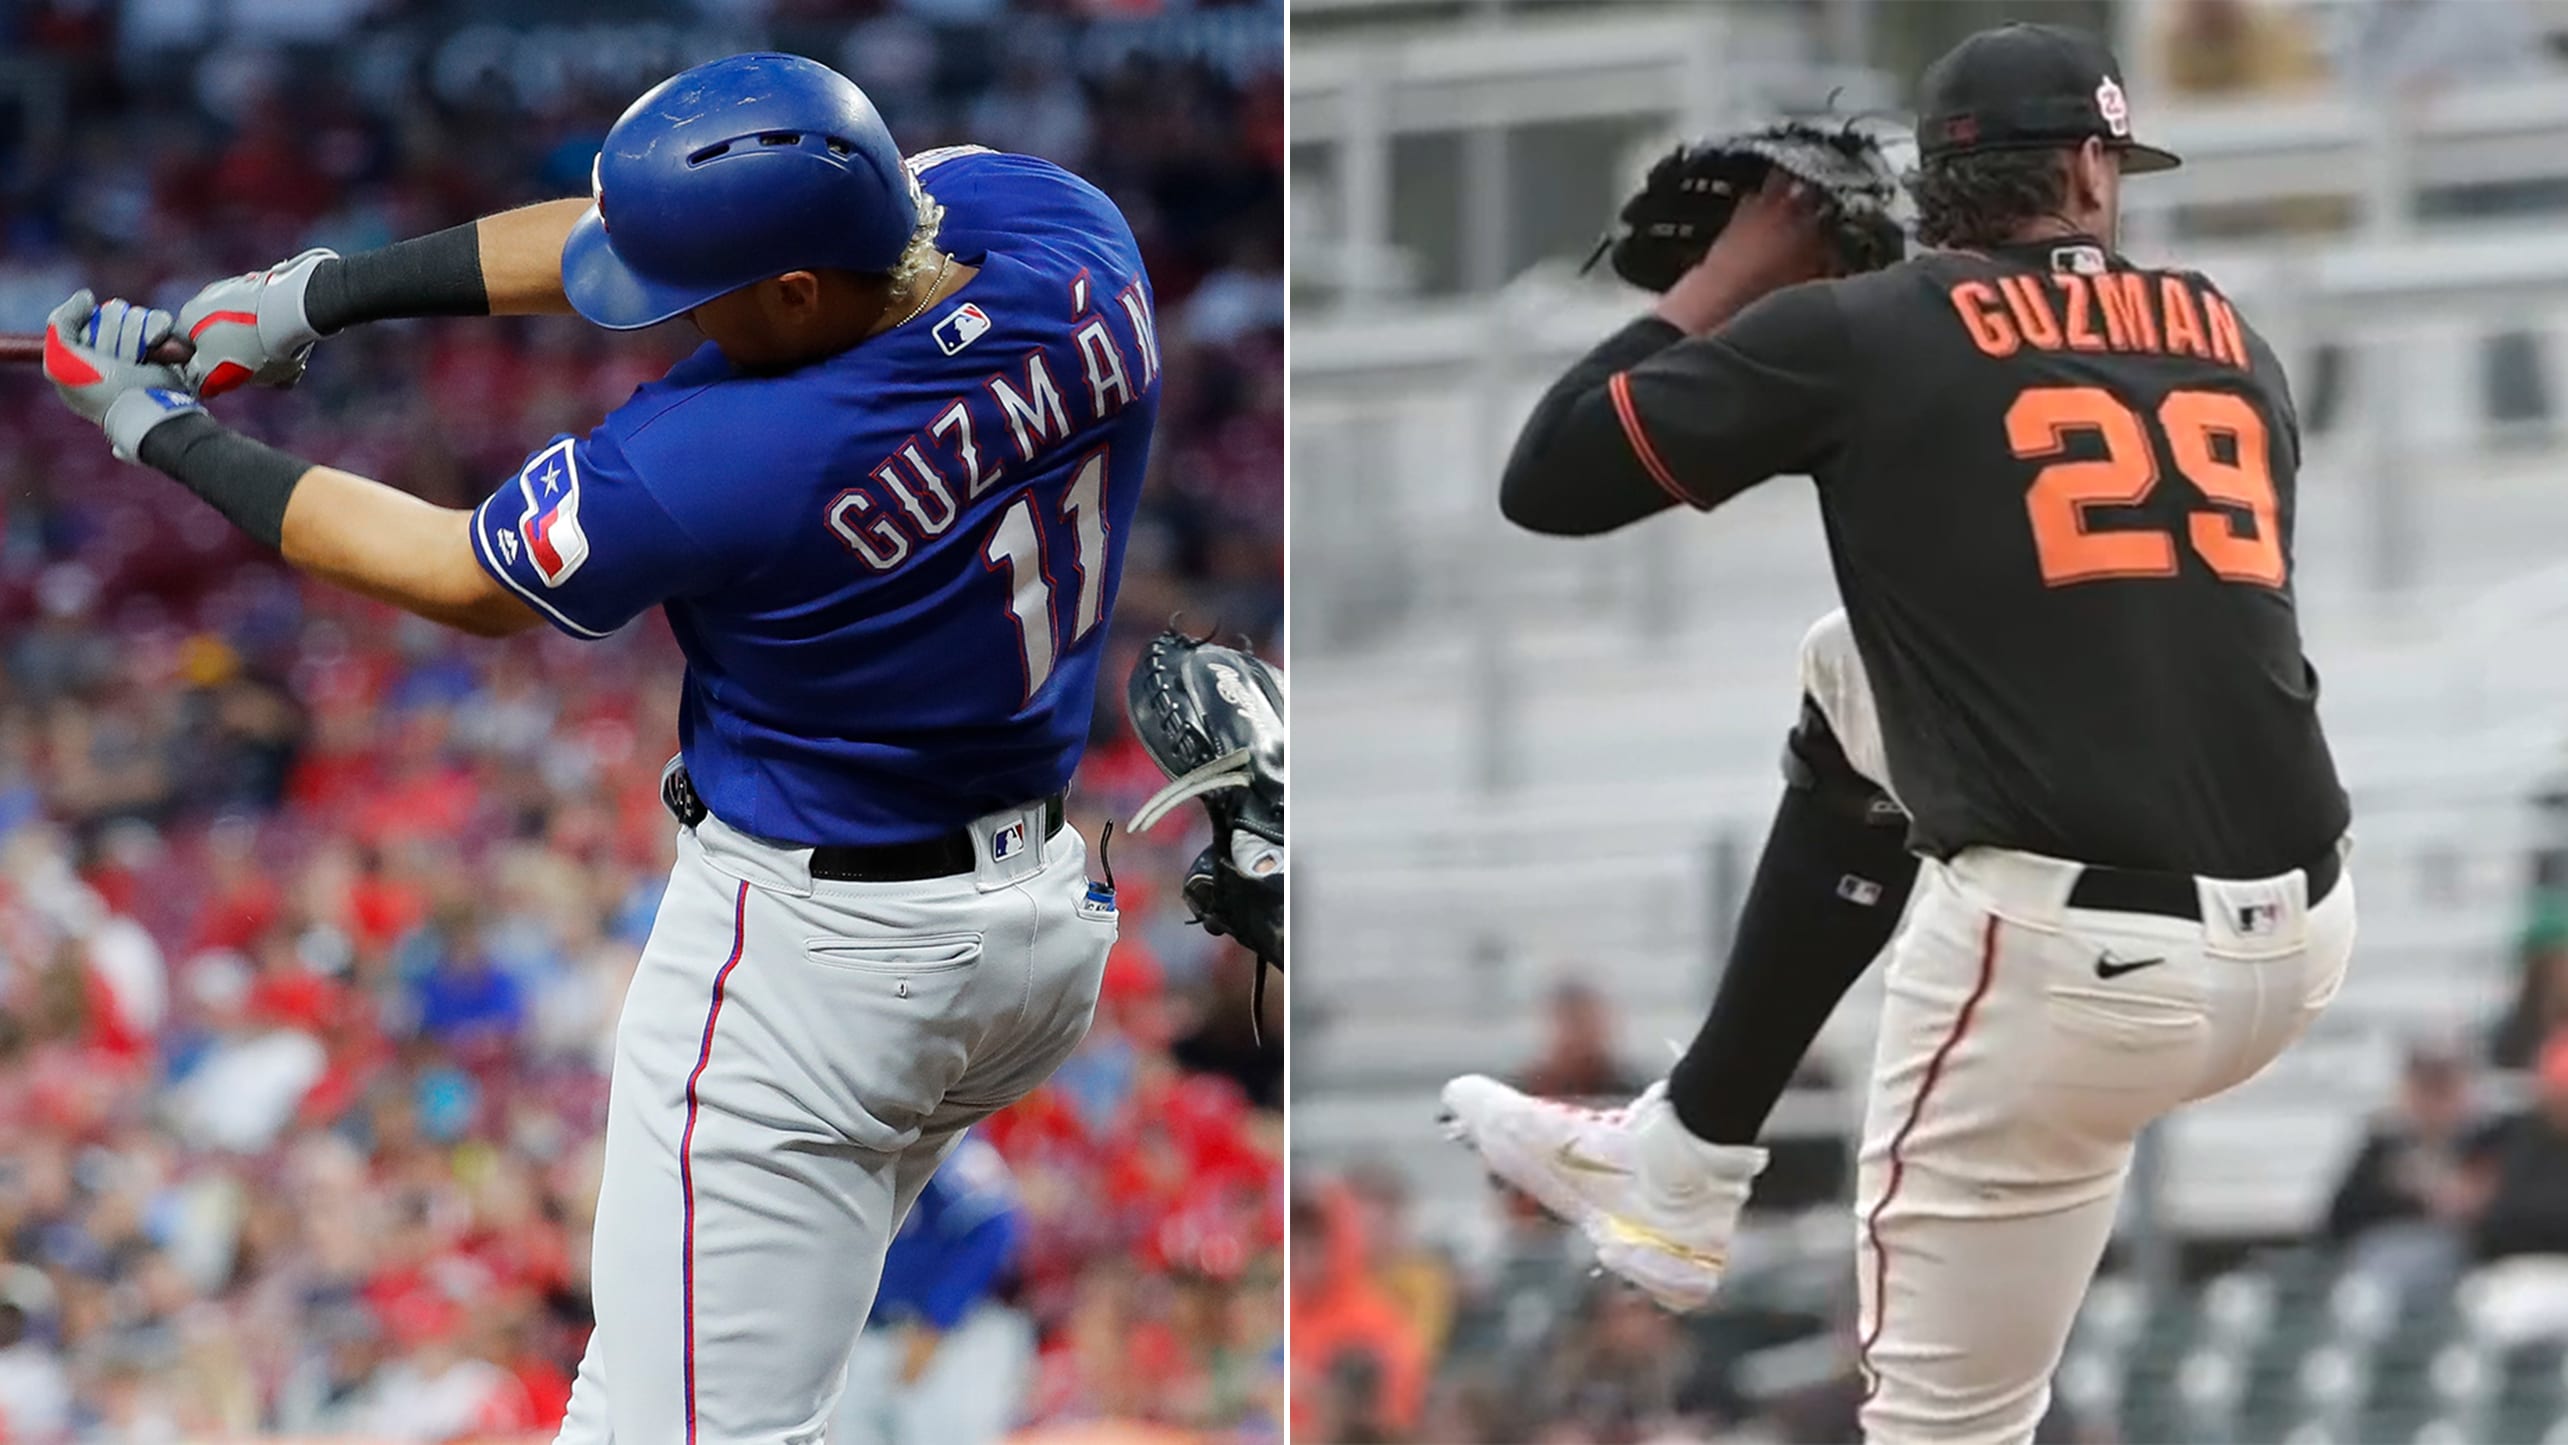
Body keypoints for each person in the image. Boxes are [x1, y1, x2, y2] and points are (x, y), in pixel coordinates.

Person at [42, 51, 1159, 1442]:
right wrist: (317, 295)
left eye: (697, 293)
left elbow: (456, 575)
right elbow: (618, 234)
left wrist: (161, 433)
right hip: (1035, 927)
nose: (659, 312)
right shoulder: (1072, 239)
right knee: (631, 1396)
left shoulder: (738, 459)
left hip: (823, 967)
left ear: (801, 288)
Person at [1441, 23, 2353, 1444]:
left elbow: (1549, 478)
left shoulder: (1857, 334)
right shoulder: (2227, 329)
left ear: (1941, 185)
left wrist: (1733, 279)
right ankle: (1687, 1153)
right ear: (2095, 175)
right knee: (1851, 673)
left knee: (1939, 1432)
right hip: (2301, 935)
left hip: (2070, 970)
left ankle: (1682, 1172)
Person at [835, 1135, 1034, 1445]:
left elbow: (997, 1227)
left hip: (956, 1339)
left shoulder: (952, 1142)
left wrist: (937, 1321)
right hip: (871, 1335)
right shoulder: (851, 1144)